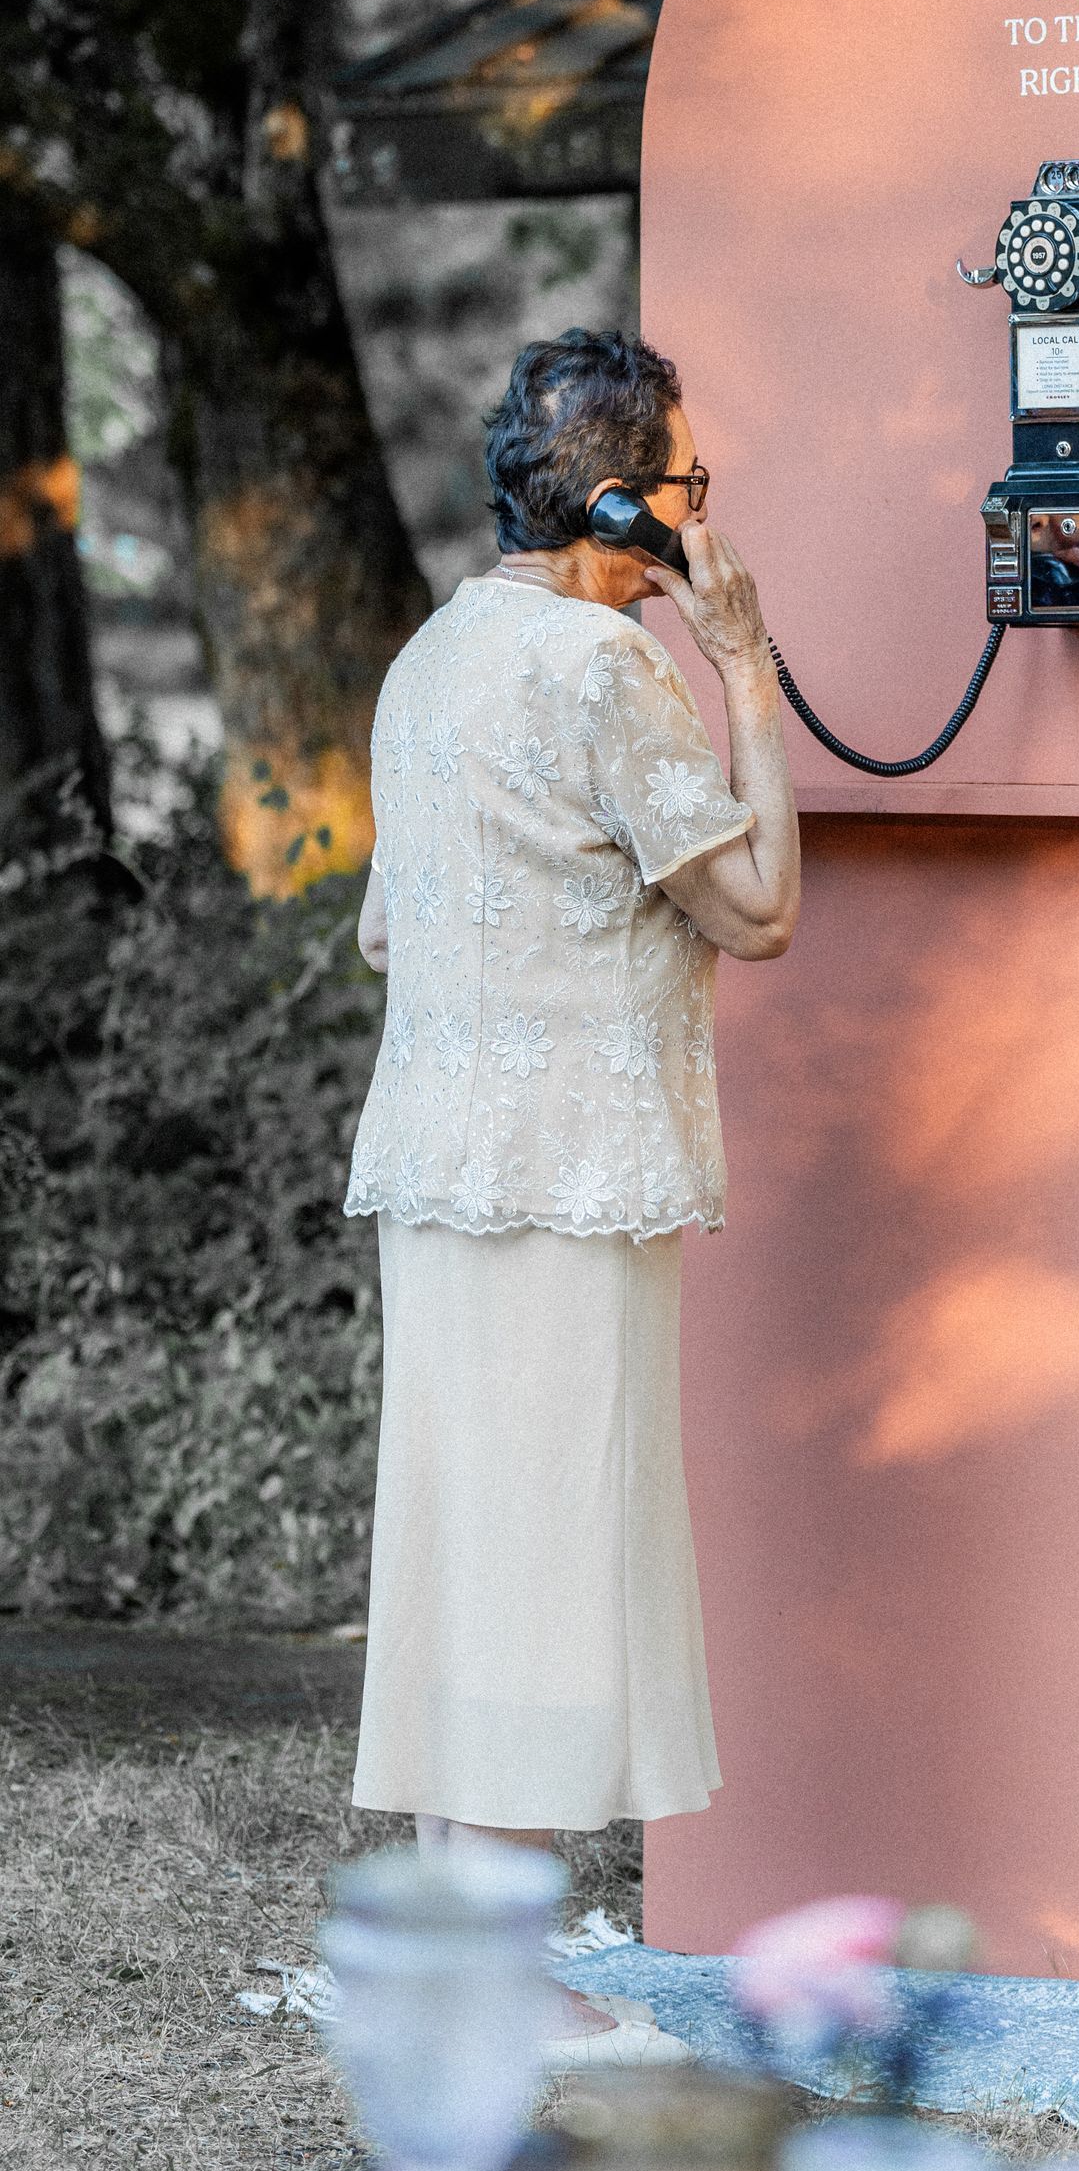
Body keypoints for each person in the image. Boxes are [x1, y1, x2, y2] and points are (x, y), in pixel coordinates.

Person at [344, 327, 799, 2056]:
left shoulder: (434, 656)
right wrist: (745, 668)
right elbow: (755, 906)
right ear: (625, 502)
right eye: (686, 483)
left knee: (475, 1550)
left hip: (440, 1167)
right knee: (550, 1558)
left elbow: (389, 924)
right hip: (571, 1174)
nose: (698, 508)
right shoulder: (606, 669)